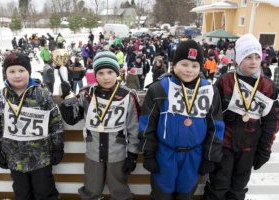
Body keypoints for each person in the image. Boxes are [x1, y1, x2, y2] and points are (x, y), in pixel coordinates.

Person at [139, 40, 225, 200]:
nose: (189, 70)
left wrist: (210, 156)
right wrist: (148, 153)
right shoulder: (159, 89)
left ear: (201, 67)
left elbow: (217, 127)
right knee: (161, 195)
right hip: (164, 154)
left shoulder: (210, 91)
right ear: (174, 64)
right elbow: (147, 123)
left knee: (185, 196)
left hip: (194, 156)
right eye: (184, 64)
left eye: (194, 66)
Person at [203, 33, 279, 200]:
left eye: (257, 57)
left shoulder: (268, 86)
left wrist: (264, 150)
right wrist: (211, 147)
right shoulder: (225, 81)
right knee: (218, 187)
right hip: (224, 147)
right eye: (248, 56)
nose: (253, 61)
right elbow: (212, 117)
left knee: (238, 190)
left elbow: (271, 122)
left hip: (248, 148)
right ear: (238, 58)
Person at [59, 51, 140, 200]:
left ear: (117, 72)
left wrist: (133, 155)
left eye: (110, 72)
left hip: (118, 152)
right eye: (100, 73)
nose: (106, 77)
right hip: (93, 151)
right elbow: (72, 118)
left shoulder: (128, 95)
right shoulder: (86, 93)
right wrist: (67, 99)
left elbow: (134, 127)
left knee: (119, 188)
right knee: (91, 187)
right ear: (95, 75)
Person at [0, 53, 64, 199]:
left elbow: (55, 122)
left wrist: (58, 146)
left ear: (28, 71)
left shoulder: (42, 94)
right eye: (12, 71)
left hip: (41, 157)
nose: (17, 75)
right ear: (5, 74)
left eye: (21, 71)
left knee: (45, 192)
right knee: (22, 194)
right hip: (14, 158)